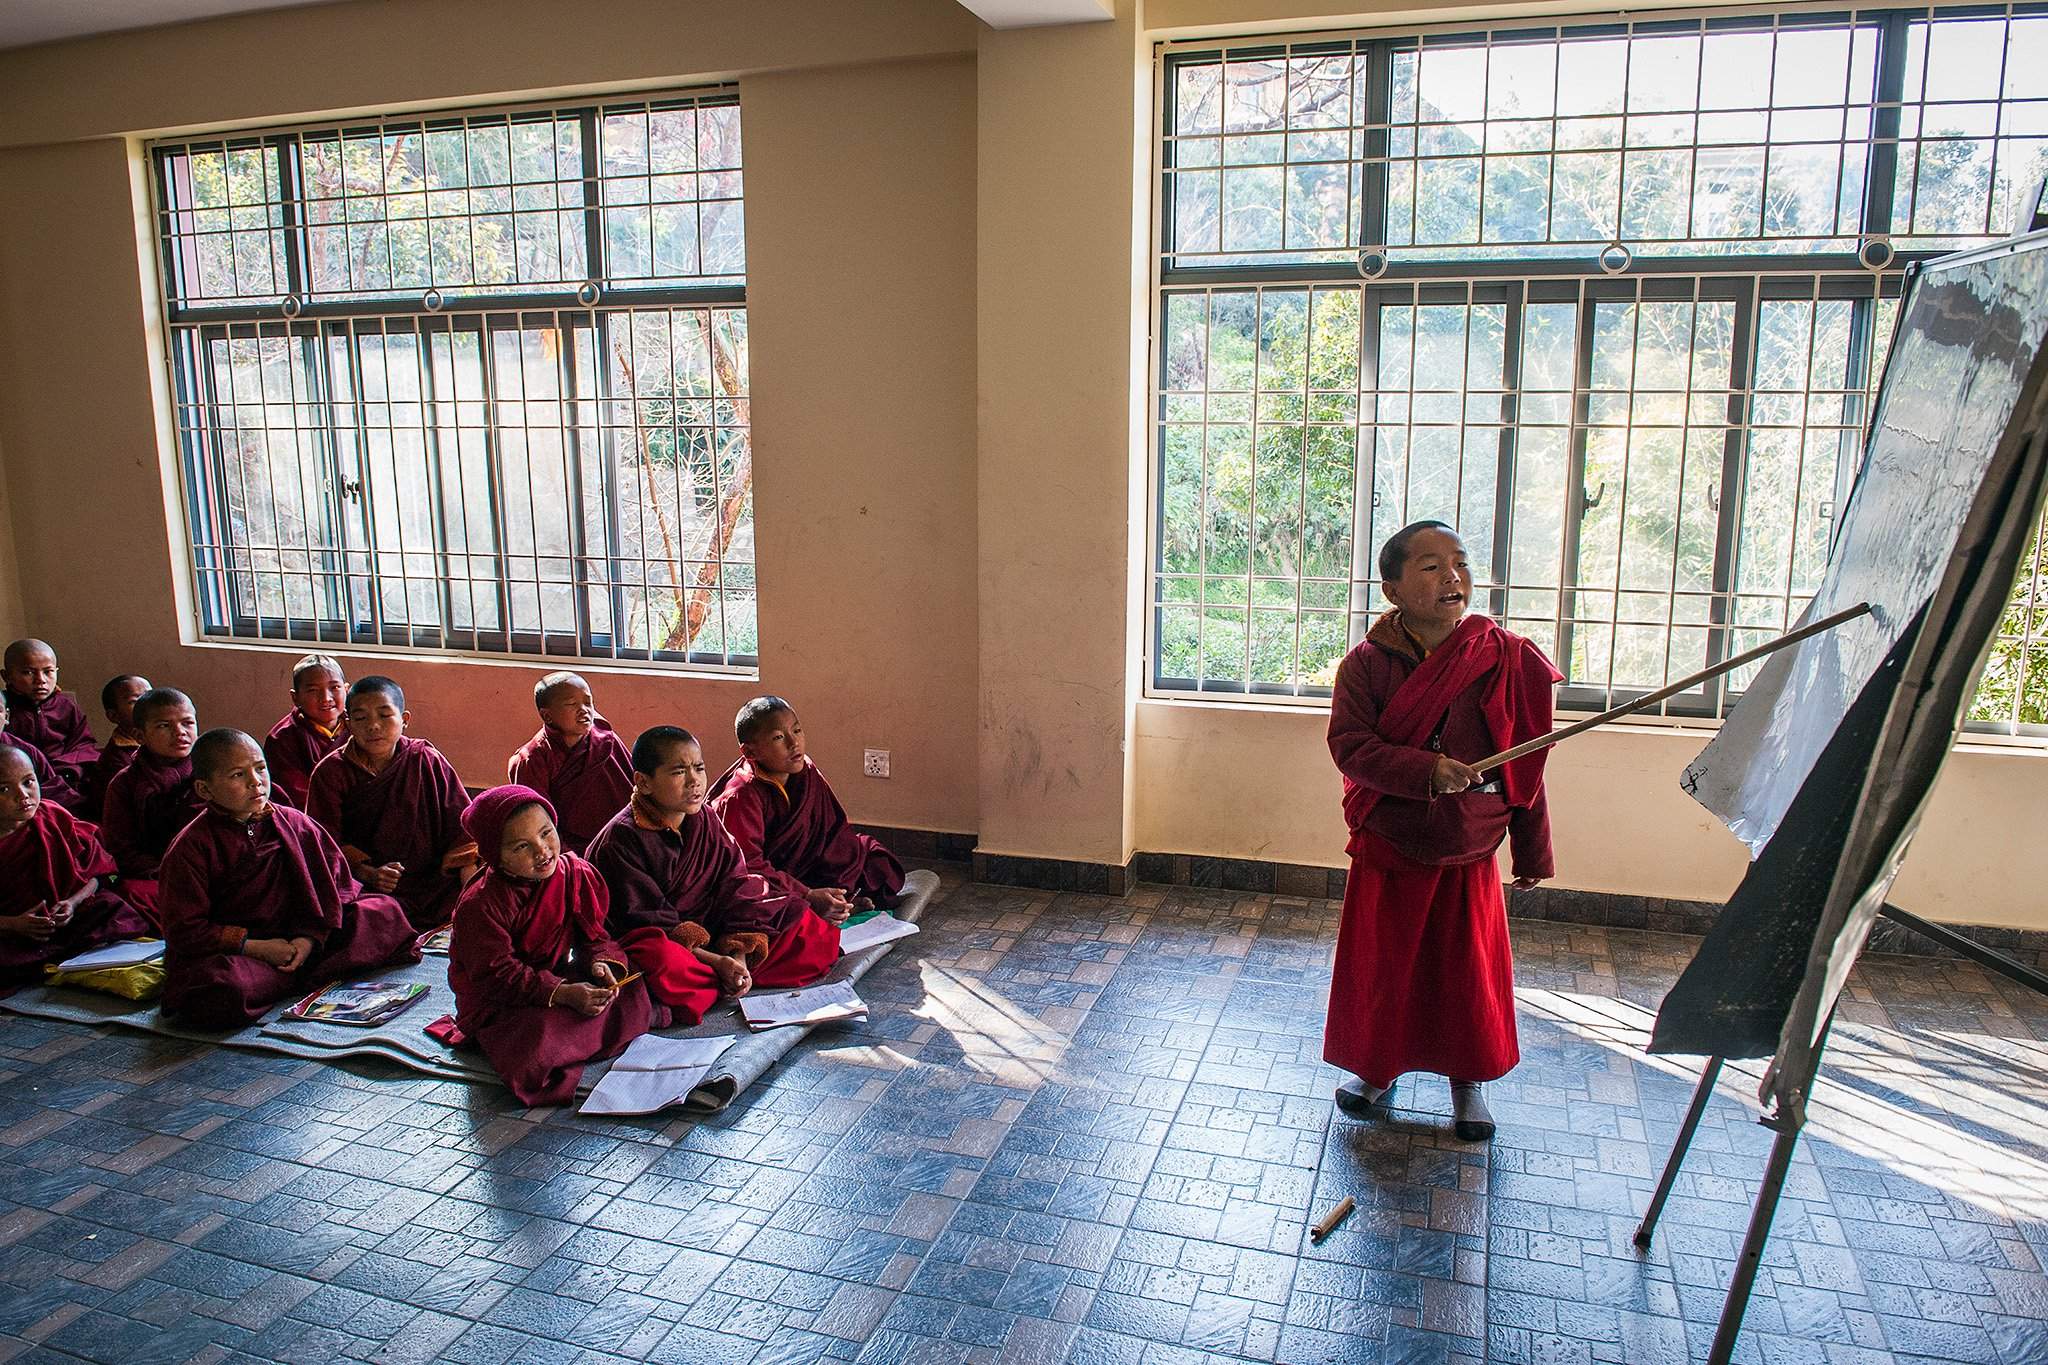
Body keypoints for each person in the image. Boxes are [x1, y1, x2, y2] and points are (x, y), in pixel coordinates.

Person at [1324, 520, 1561, 1142]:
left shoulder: (1506, 659)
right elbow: (1351, 749)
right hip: (1391, 840)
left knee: (1465, 973)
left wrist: (1533, 847)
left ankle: (1468, 1083)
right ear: (1393, 589)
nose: (1451, 576)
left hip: (1468, 843)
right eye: (1429, 566)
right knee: (1387, 966)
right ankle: (1376, 1072)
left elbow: (1527, 761)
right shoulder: (1365, 667)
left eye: (1459, 562)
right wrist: (1427, 769)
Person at [157, 729, 417, 1030]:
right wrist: (256, 947)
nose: (255, 782)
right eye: (237, 775)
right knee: (218, 987)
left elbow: (335, 886)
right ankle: (300, 974)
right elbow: (185, 930)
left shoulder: (294, 822)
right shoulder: (192, 846)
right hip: (245, 953)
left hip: (301, 938)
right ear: (204, 789)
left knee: (383, 913)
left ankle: (291, 973)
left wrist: (308, 939)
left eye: (260, 768)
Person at [587, 726, 840, 1016]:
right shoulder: (621, 841)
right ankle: (717, 980)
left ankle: (725, 980)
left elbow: (735, 881)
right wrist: (716, 962)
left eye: (699, 768)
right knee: (660, 961)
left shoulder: (703, 816)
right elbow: (644, 919)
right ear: (643, 782)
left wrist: (739, 953)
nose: (694, 781)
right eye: (678, 772)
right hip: (670, 942)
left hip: (715, 930)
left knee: (804, 924)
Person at [447, 784, 660, 1106]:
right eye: (521, 846)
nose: (542, 851)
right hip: (501, 999)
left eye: (546, 833)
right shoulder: (480, 905)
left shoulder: (573, 873)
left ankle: (588, 1029)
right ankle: (591, 1034)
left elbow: (595, 936)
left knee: (631, 987)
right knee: (536, 1040)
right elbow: (495, 974)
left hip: (554, 976)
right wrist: (560, 993)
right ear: (494, 854)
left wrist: (600, 964)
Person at [707, 696, 903, 919]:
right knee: (757, 902)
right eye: (779, 737)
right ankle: (828, 905)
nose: (794, 743)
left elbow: (833, 832)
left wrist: (839, 875)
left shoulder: (805, 770)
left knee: (877, 861)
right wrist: (806, 894)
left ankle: (836, 901)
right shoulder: (740, 795)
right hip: (774, 878)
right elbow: (747, 867)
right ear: (750, 753)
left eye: (797, 731)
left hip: (809, 868)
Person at [306, 677, 477, 930]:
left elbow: (463, 828)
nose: (374, 726)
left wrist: (472, 891)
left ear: (405, 719)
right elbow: (322, 842)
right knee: (360, 918)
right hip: (365, 887)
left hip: (433, 882)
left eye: (385, 715)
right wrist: (368, 873)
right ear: (347, 724)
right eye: (361, 719)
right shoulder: (331, 772)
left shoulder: (425, 760)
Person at [0, 746, 152, 983]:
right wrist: (13, 924)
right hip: (11, 929)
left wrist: (72, 902)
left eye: (28, 782)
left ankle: (54, 960)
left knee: (114, 908)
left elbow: (101, 872)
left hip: (63, 919)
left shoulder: (52, 817)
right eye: (4, 789)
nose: (23, 795)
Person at [99, 687, 204, 916]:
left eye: (187, 723)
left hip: (210, 870)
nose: (180, 733)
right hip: (158, 873)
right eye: (164, 726)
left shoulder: (210, 771)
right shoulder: (124, 784)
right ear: (140, 736)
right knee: (129, 895)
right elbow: (121, 848)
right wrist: (166, 871)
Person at [506, 671, 633, 856]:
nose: (584, 710)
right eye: (571, 704)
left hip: (624, 836)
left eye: (588, 702)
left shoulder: (606, 739)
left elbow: (635, 792)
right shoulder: (532, 759)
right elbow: (536, 824)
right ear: (547, 716)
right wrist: (570, 859)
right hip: (572, 851)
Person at [2, 638, 99, 804]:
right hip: (23, 782)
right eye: (28, 672)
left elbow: (82, 745)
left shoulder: (66, 706)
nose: (41, 680)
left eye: (48, 671)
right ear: (7, 676)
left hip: (67, 776)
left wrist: (68, 770)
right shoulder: (4, 708)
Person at [263, 654, 346, 810]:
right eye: (313, 690)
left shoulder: (358, 725)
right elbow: (295, 796)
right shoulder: (282, 738)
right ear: (296, 698)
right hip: (315, 816)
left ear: (346, 689)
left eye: (334, 687)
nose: (326, 698)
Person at [81, 675, 150, 821]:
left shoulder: (160, 741)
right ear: (114, 716)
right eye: (135, 702)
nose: (148, 705)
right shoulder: (117, 761)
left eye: (151, 696)